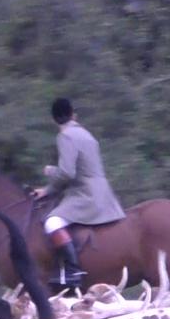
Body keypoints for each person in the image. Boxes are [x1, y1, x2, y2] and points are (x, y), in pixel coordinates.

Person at [32, 98, 125, 288]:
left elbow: (67, 173)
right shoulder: (86, 134)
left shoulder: (66, 136)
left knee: (52, 222)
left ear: (54, 119)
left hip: (85, 194)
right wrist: (48, 190)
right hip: (102, 191)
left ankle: (73, 271)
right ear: (74, 114)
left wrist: (50, 171)